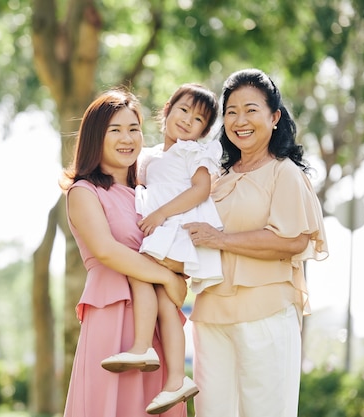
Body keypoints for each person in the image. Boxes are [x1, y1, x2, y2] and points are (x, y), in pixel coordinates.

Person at [183, 68, 329, 417]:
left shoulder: (285, 173)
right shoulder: (216, 180)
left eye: (251, 109)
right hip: (211, 316)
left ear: (274, 117)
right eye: (231, 111)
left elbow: (291, 240)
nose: (239, 120)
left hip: (266, 313)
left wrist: (221, 239)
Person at [60, 87, 189, 417]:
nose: (127, 138)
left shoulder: (151, 196)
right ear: (95, 137)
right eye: (115, 130)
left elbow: (179, 248)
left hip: (158, 324)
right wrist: (165, 277)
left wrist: (178, 277)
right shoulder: (84, 191)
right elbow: (106, 251)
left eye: (133, 129)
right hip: (112, 310)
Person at [100, 83, 223, 414]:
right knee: (167, 306)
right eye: (183, 110)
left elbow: (200, 191)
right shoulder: (150, 155)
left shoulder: (193, 153)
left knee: (139, 269)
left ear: (203, 131)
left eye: (198, 119)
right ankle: (176, 379)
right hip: (163, 235)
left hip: (178, 234)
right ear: (167, 109)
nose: (187, 120)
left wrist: (161, 213)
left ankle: (142, 346)